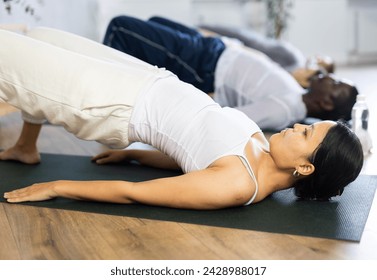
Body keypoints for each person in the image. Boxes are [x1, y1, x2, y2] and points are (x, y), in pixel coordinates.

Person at [0, 27, 363, 210]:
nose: (298, 125)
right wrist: (135, 156)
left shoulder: (236, 185)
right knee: (37, 37)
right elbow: (196, 154)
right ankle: (25, 146)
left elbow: (133, 193)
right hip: (145, 77)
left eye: (306, 133)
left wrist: (56, 187)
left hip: (111, 103)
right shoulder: (264, 153)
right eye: (306, 124)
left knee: (9, 57)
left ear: (305, 168)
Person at [103, 15, 358, 131]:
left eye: (334, 82)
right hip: (214, 50)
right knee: (156, 21)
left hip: (205, 64)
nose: (327, 76)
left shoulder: (284, 109)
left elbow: (227, 120)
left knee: (121, 28)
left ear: (325, 102)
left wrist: (208, 96)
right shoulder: (297, 93)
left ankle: (105, 105)